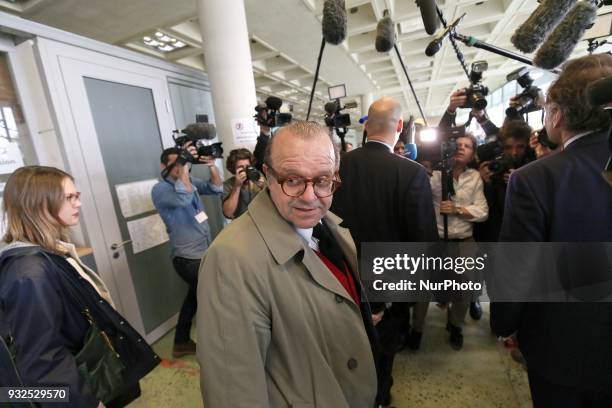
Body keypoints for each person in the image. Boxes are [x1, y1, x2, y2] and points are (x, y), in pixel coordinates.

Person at [197, 121, 378, 407]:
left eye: (322, 180)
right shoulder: (231, 259)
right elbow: (233, 392)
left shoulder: (331, 227)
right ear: (268, 176)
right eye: (292, 180)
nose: (309, 197)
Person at [491, 54, 612, 407]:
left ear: (557, 114)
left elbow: (518, 268)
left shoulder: (537, 178)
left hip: (564, 350)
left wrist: (506, 323)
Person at [0, 166, 159, 407]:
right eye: (69, 198)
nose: (78, 204)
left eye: (77, 196)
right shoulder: (29, 273)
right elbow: (43, 361)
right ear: (38, 204)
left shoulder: (50, 252)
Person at [331, 96, 438, 407]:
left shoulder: (339, 167)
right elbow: (422, 242)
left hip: (341, 281)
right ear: (400, 127)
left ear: (366, 124)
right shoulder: (411, 173)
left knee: (346, 350)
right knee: (383, 355)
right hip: (389, 288)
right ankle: (379, 398)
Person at [416, 133, 488, 350]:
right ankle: (416, 328)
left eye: (467, 146)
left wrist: (457, 210)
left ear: (473, 153)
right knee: (423, 286)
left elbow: (483, 211)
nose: (461, 148)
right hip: (435, 240)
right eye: (458, 145)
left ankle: (455, 325)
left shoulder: (475, 177)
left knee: (464, 288)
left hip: (464, 241)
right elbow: (420, 203)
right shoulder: (434, 175)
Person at [151, 147, 222, 358]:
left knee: (195, 298)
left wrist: (212, 167)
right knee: (214, 295)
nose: (180, 167)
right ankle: (218, 344)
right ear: (164, 166)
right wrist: (184, 169)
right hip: (187, 258)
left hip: (202, 253)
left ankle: (180, 342)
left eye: (181, 162)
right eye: (175, 163)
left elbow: (216, 189)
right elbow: (182, 198)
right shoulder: (160, 190)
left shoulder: (189, 182)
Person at [222, 148, 265, 219]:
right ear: (233, 169)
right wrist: (237, 186)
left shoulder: (258, 176)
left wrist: (263, 187)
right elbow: (228, 213)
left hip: (262, 219)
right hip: (241, 224)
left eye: (248, 166)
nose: (245, 170)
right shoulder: (228, 184)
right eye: (240, 167)